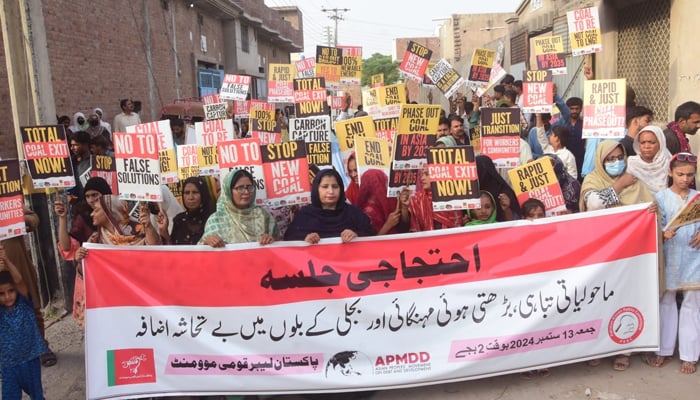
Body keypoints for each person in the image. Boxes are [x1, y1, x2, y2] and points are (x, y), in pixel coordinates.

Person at [67, 196, 160, 328]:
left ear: (109, 211)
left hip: (140, 298)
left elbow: (155, 254)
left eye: (96, 210)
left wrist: (149, 226)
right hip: (112, 303)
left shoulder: (139, 229)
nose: (92, 213)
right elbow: (86, 275)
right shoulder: (95, 241)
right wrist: (79, 259)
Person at [646, 152, 700, 374]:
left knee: (691, 304)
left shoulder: (698, 197)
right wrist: (661, 234)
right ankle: (664, 350)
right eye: (680, 174)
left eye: (689, 175)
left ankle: (690, 355)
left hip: (694, 257)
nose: (685, 179)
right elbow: (650, 227)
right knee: (666, 302)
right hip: (669, 257)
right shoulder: (659, 198)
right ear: (670, 172)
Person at [2, 208, 56, 367]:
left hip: (19, 266)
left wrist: (16, 217)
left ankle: (41, 348)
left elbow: (34, 219)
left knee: (32, 308)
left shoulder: (7, 201)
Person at [0, 244, 47, 399]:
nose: (7, 296)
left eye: (11, 291)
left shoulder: (24, 303)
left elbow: (19, 281)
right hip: (8, 365)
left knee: (37, 396)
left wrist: (6, 259)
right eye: (2, 294)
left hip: (30, 359)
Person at [284, 169, 375, 243]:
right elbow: (289, 243)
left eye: (335, 186)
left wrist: (356, 235)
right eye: (325, 186)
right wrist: (305, 239)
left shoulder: (353, 213)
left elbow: (372, 235)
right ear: (316, 189)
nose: (331, 191)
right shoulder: (304, 215)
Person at [200, 169, 278, 247]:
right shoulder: (216, 219)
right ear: (229, 191)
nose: (246, 192)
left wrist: (271, 240)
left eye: (249, 187)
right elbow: (201, 255)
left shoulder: (263, 215)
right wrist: (207, 242)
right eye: (240, 188)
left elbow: (280, 250)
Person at [580, 140, 653, 211]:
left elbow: (648, 203)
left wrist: (652, 207)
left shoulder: (631, 177)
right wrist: (620, 184)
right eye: (611, 159)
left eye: (620, 157)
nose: (617, 162)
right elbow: (594, 204)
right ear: (601, 161)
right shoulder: (592, 179)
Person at [402, 167, 463, 231]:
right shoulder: (418, 199)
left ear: (438, 175)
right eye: (422, 174)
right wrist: (404, 207)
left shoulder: (453, 197)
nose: (422, 178)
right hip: (427, 240)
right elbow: (405, 226)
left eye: (427, 174)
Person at [158, 177, 214, 245]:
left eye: (195, 192)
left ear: (203, 194)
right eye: (187, 193)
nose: (190, 197)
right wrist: (164, 231)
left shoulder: (213, 219)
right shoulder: (179, 220)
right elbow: (173, 249)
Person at [356, 169, 409, 235]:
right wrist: (388, 225)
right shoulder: (366, 211)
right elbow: (370, 241)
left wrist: (404, 208)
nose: (384, 187)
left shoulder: (389, 202)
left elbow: (404, 227)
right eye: (381, 183)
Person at [626, 125, 672, 196]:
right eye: (643, 142)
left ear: (661, 143)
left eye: (652, 142)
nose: (646, 147)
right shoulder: (631, 163)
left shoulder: (668, 162)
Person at [475, 155, 520, 221]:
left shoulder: (505, 194)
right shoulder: (470, 193)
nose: (483, 211)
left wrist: (507, 208)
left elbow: (515, 221)